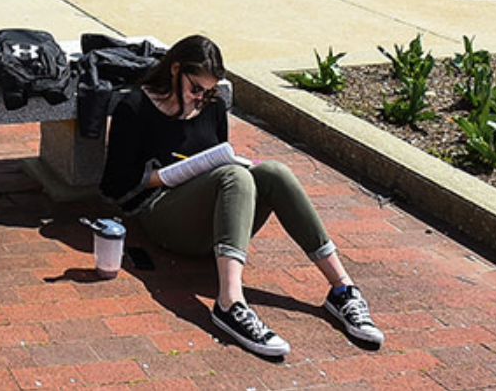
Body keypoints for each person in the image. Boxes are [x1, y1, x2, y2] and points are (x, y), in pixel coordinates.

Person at [100, 35, 384, 359]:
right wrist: (165, 175)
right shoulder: (135, 107)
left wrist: (215, 163)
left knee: (275, 173)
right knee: (234, 177)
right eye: (196, 89)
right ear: (175, 70)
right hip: (160, 211)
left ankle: (342, 289)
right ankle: (229, 303)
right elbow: (113, 185)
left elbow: (219, 157)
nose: (201, 98)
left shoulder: (213, 105)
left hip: (209, 216)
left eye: (208, 92)